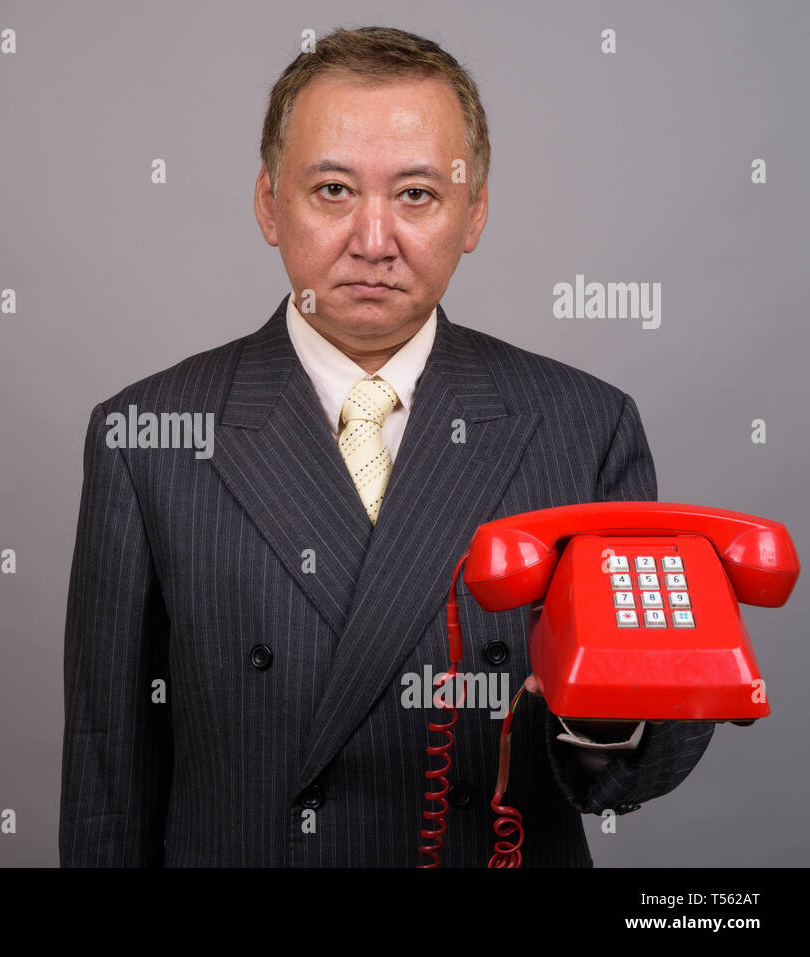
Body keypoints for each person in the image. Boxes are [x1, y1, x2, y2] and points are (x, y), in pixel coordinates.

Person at [58, 25, 714, 867]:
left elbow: (625, 776)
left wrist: (614, 706)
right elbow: (108, 782)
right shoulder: (146, 436)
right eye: (332, 189)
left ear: (473, 212)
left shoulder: (584, 425)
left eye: (416, 195)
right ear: (267, 203)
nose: (373, 240)